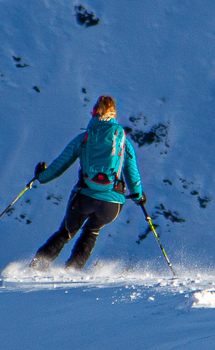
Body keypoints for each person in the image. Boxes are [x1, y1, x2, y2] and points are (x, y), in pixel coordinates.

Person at [29, 95, 146, 270]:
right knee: (91, 232)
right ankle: (72, 273)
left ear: (95, 113)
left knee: (65, 234)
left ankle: (35, 269)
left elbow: (61, 164)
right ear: (113, 115)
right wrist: (138, 195)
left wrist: (41, 176)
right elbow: (132, 172)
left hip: (84, 197)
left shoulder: (84, 138)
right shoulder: (123, 142)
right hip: (112, 204)